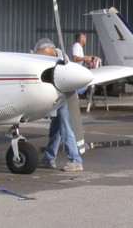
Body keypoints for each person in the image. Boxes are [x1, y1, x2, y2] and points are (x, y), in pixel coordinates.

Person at [34, 38, 83, 172]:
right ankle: (49, 158)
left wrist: (33, 54)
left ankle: (75, 160)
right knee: (55, 129)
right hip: (59, 97)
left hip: (64, 97)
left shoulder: (58, 54)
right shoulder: (55, 58)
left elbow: (47, 51)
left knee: (66, 128)